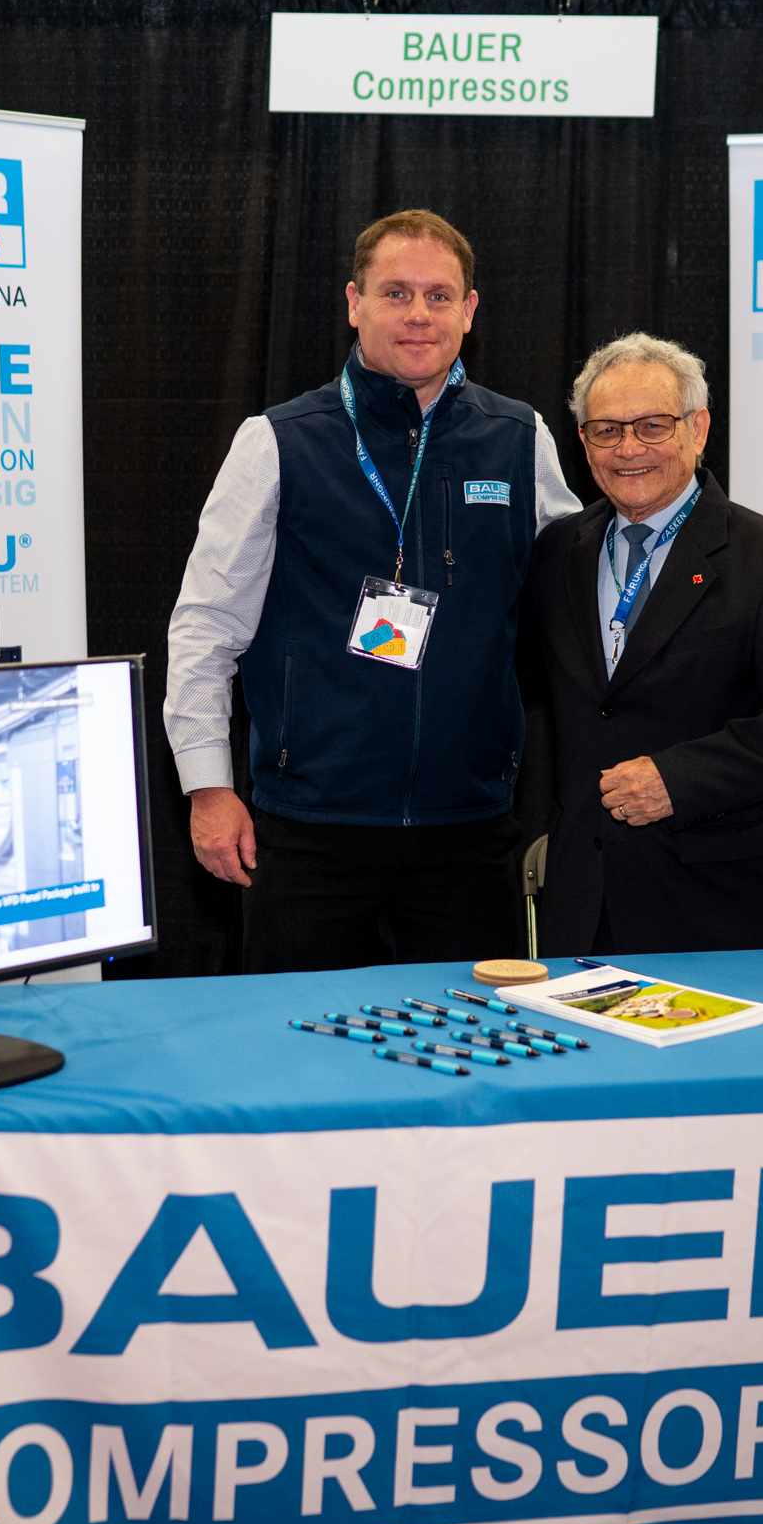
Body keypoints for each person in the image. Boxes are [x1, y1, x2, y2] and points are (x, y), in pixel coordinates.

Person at [163, 209, 581, 972]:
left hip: (469, 833)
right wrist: (207, 789)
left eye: (438, 295)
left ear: (469, 310)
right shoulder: (279, 441)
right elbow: (206, 626)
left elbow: (577, 607)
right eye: (396, 293)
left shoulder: (520, 440)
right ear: (354, 303)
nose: (419, 314)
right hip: (310, 833)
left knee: (471, 1039)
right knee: (296, 1040)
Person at [520, 334, 763, 955]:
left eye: (652, 426)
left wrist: (677, 779)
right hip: (582, 903)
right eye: (607, 430)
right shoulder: (557, 552)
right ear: (584, 442)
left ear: (698, 430)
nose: (629, 449)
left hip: (720, 907)